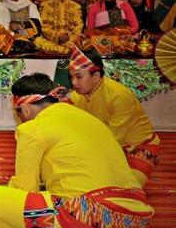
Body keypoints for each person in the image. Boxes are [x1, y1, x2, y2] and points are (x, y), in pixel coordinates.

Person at [0, 73, 153, 228]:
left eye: (18, 112)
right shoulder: (91, 119)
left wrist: (8, 190)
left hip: (90, 221)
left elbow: (25, 189)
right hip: (136, 221)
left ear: (25, 109)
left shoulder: (32, 129)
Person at [68, 46, 159, 186]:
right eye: (71, 77)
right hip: (101, 147)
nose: (74, 83)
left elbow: (113, 140)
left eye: (79, 77)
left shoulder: (119, 96)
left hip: (137, 147)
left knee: (127, 189)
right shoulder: (76, 96)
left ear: (96, 75)